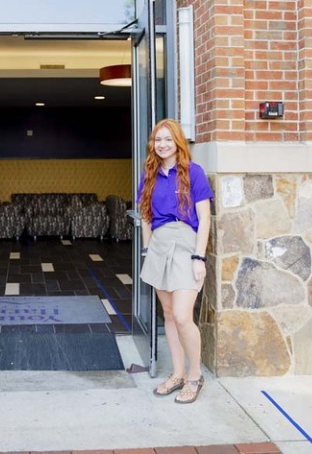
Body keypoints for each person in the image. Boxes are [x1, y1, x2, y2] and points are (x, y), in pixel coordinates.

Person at [137, 118, 213, 404]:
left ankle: (195, 376)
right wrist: (147, 251)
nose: (163, 144)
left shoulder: (194, 173)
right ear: (152, 144)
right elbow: (146, 215)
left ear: (178, 141)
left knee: (183, 315)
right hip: (158, 244)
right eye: (158, 140)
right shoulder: (150, 174)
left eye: (168, 139)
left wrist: (198, 257)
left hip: (186, 245)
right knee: (168, 315)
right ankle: (178, 373)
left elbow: (204, 218)